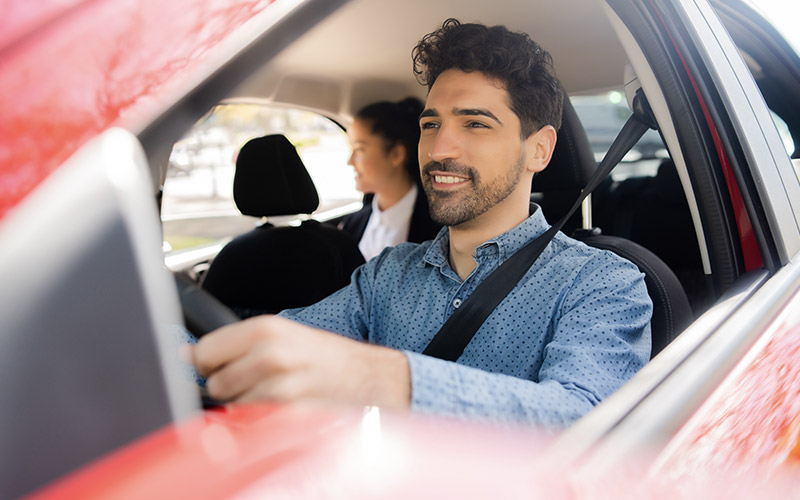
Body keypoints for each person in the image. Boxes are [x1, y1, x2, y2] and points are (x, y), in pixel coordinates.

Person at [191, 19, 652, 427]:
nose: (439, 149)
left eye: (475, 124)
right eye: (431, 125)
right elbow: (271, 349)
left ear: (539, 149)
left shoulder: (603, 283)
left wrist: (383, 377)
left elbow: (584, 423)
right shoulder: (388, 275)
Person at [339, 98, 441, 260]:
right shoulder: (350, 225)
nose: (350, 161)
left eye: (359, 149)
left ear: (396, 154)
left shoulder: (440, 229)